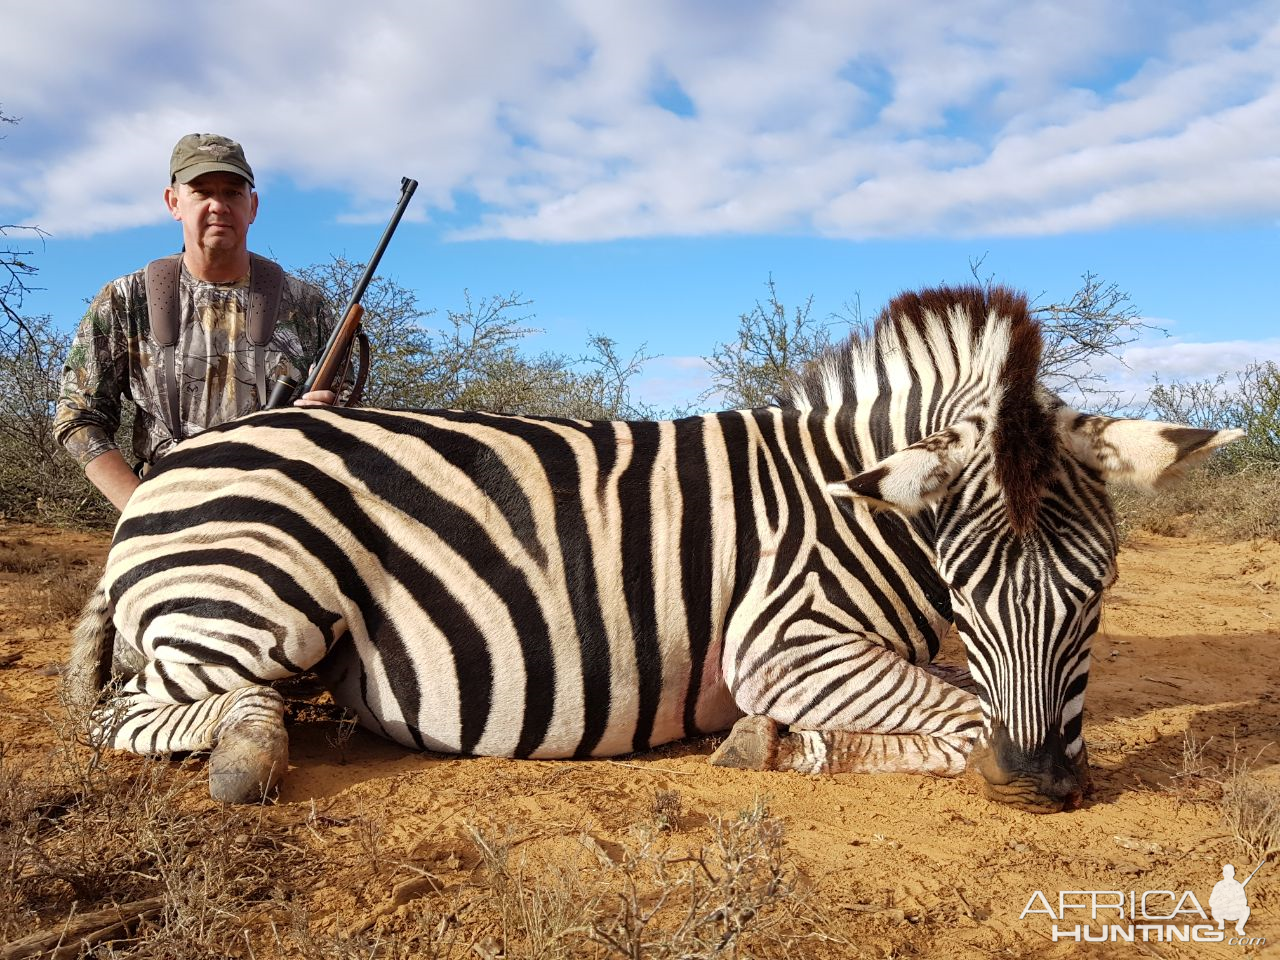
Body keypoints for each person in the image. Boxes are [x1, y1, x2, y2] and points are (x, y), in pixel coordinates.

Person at [55, 133, 337, 511]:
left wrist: (330, 415)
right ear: (174, 202)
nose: (218, 206)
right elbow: (78, 417)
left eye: (232, 193)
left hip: (280, 515)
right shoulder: (126, 299)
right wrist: (140, 509)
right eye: (201, 192)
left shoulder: (308, 305)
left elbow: (346, 408)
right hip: (167, 511)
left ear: (252, 206)